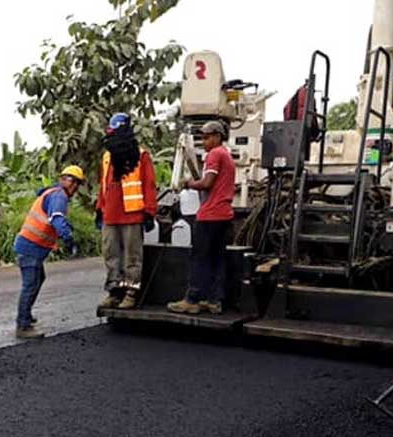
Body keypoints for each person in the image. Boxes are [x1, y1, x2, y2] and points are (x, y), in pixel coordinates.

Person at [168, 120, 235, 315]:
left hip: (210, 215)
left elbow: (207, 183)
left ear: (217, 136)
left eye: (206, 137)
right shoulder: (227, 156)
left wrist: (188, 183)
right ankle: (214, 301)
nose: (203, 141)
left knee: (199, 257)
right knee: (217, 259)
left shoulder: (215, 154)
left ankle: (192, 299)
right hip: (224, 215)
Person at [96, 113, 158, 310]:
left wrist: (149, 212)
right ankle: (114, 291)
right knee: (110, 254)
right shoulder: (107, 157)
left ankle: (131, 292)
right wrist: (99, 209)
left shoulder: (141, 156)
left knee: (132, 256)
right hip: (110, 214)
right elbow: (103, 185)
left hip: (132, 213)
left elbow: (149, 185)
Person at [14, 166, 83, 339]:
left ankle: (26, 315)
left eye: (78, 184)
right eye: (74, 182)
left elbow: (52, 219)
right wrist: (68, 238)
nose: (75, 187)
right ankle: (23, 326)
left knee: (38, 279)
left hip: (31, 247)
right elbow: (57, 219)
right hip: (30, 247)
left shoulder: (52, 193)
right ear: (65, 180)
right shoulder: (59, 196)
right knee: (30, 285)